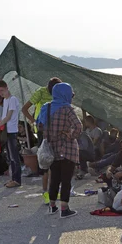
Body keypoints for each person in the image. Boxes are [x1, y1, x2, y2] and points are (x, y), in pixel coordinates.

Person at [45, 82, 82, 218]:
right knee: (66, 180)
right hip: (67, 149)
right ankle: (64, 209)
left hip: (52, 150)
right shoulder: (67, 109)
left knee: (54, 179)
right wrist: (71, 135)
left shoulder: (47, 107)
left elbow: (39, 124)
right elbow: (78, 126)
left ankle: (52, 206)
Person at [0, 80, 22, 188]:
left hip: (12, 130)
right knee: (10, 156)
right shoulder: (5, 100)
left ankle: (17, 179)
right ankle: (13, 178)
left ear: (7, 88)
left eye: (2, 90)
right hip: (6, 130)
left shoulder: (12, 99)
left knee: (14, 156)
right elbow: (4, 116)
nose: (0, 93)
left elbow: (9, 116)